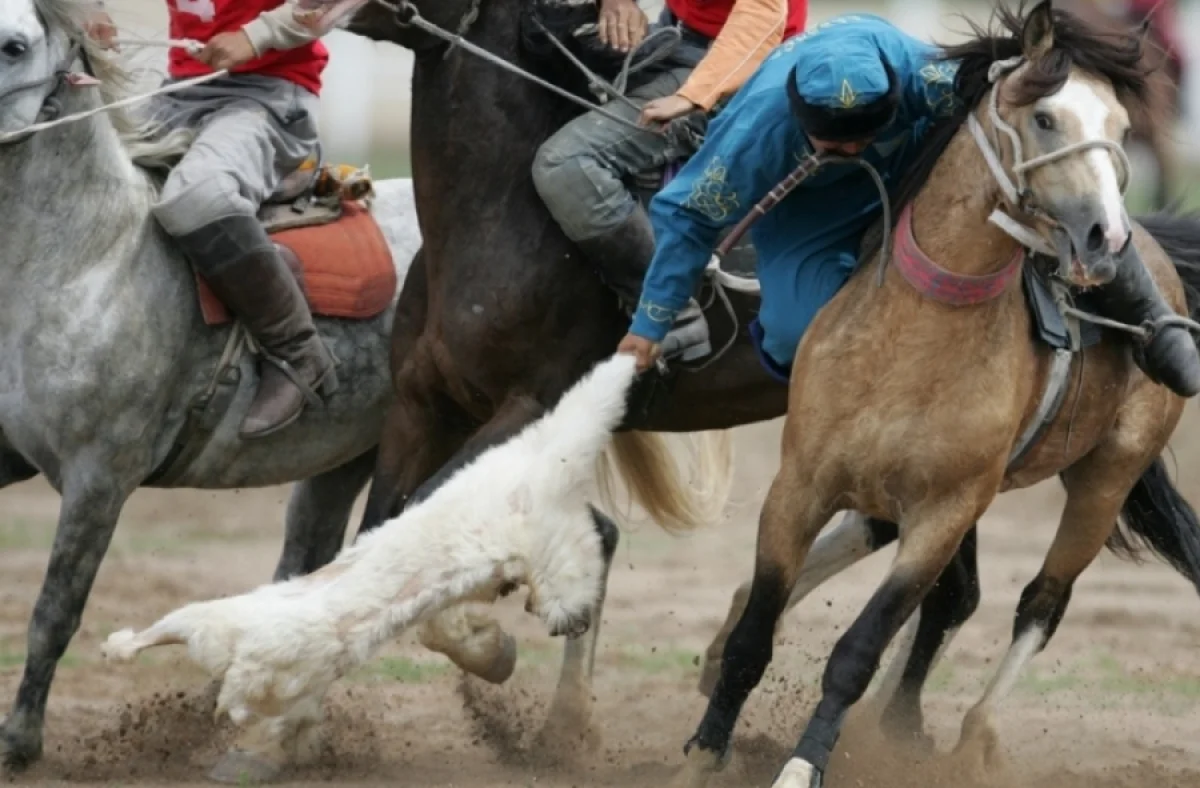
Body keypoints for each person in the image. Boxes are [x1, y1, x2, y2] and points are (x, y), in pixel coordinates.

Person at [616, 12, 1200, 399]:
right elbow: (688, 219)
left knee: (1051, 174)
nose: (847, 150)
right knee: (794, 335)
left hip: (912, 175)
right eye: (831, 141)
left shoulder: (926, 77)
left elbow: (1004, 94)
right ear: (796, 116)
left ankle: (1154, 315)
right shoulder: (755, 130)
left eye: (858, 137)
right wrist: (648, 326)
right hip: (810, 215)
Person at [84, 0, 340, 440]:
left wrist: (254, 37)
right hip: (179, 93)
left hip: (270, 96)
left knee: (197, 197)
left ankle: (299, 352)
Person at [532, 0, 808, 364]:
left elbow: (763, 13)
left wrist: (693, 95)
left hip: (746, 63)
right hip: (677, 35)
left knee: (563, 164)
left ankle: (668, 310)